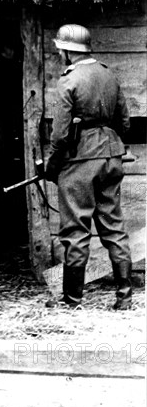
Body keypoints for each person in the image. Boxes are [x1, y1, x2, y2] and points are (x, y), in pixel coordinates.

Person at [45, 24, 133, 310]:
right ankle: (124, 296)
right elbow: (124, 121)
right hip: (111, 155)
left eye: (61, 49)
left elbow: (59, 135)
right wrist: (114, 147)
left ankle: (72, 301)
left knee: (75, 229)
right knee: (114, 227)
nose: (60, 54)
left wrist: (53, 164)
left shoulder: (68, 81)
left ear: (68, 51)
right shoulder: (109, 75)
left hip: (80, 158)